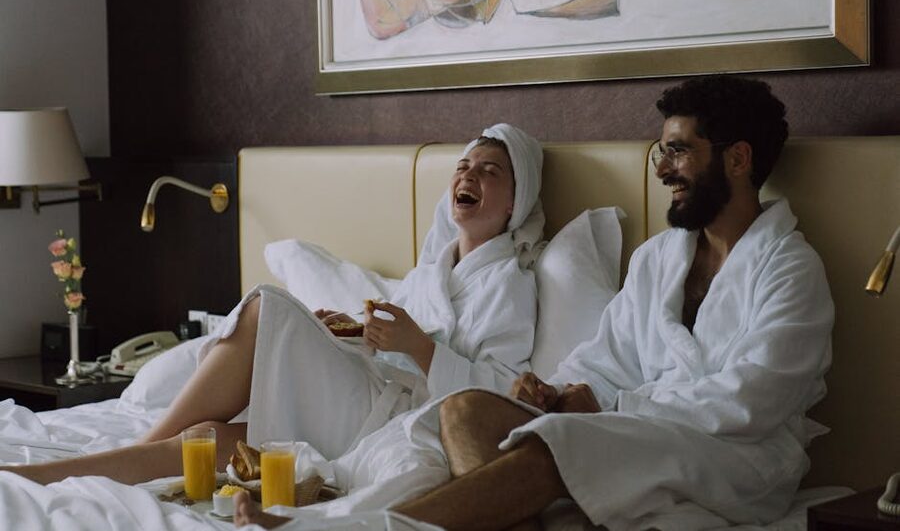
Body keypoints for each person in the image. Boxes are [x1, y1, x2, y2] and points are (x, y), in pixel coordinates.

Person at [234, 75, 834, 530]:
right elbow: (604, 357)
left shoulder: (790, 270)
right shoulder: (660, 259)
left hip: (735, 460)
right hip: (634, 431)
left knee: (555, 444)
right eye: (661, 154)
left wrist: (607, 409)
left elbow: (750, 401)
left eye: (679, 152)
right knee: (464, 412)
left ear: (738, 158)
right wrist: (557, 390)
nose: (664, 171)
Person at [1, 123, 544, 486]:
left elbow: (500, 403)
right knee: (209, 443)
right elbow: (396, 345)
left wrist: (418, 348)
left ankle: (138, 441)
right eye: (463, 166)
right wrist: (356, 332)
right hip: (364, 387)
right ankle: (61, 476)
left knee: (267, 308)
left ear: (515, 204)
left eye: (489, 171)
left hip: (392, 419)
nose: (468, 175)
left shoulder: (511, 286)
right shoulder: (432, 270)